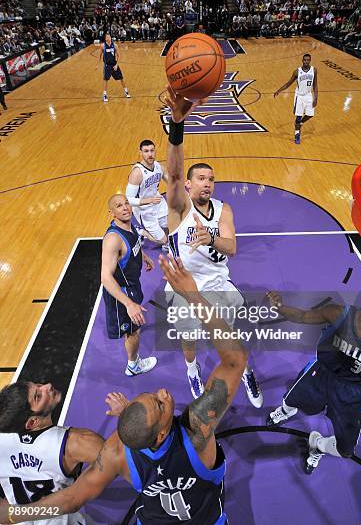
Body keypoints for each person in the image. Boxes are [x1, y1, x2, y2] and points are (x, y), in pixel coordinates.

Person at [0, 255, 248, 524]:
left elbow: (72, 499)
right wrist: (193, 295)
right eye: (160, 404)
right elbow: (234, 361)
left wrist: (15, 514)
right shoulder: (196, 431)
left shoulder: (118, 452)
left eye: (153, 396)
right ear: (163, 433)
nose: (164, 392)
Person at [163, 85, 263, 408]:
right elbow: (174, 174)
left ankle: (242, 368)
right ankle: (192, 369)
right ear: (190, 185)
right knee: (189, 338)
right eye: (201, 178)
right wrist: (177, 125)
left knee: (231, 333)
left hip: (219, 284)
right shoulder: (179, 209)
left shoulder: (224, 210)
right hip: (184, 288)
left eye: (211, 178)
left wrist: (210, 237)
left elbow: (231, 247)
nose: (207, 182)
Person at [266, 285, 361, 474]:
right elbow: (303, 316)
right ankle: (285, 411)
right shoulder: (339, 313)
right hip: (320, 374)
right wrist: (279, 307)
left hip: (353, 392)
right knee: (290, 400)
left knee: (345, 450)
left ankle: (318, 445)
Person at [0, 380, 104, 524]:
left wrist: (15, 514)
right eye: (38, 396)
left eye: (38, 385)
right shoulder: (76, 442)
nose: (47, 386)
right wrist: (125, 414)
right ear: (32, 422)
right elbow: (127, 461)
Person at [101, 194, 157, 377]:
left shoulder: (129, 225)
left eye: (126, 203)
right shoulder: (113, 239)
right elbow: (105, 277)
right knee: (133, 331)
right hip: (122, 293)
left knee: (136, 327)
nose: (125, 208)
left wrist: (144, 257)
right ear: (112, 212)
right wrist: (129, 304)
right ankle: (133, 365)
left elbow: (133, 246)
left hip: (133, 285)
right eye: (119, 206)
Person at [126, 139, 169, 248]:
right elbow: (129, 200)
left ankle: (165, 240)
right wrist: (150, 200)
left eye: (152, 150)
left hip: (158, 203)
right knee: (164, 240)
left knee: (170, 226)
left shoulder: (158, 166)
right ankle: (141, 232)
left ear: (155, 151)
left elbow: (170, 181)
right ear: (140, 153)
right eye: (146, 151)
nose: (150, 154)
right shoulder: (137, 173)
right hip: (144, 209)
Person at [274, 53, 318, 144]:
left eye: (308, 60)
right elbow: (288, 83)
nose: (306, 61)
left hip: (309, 95)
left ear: (310, 60)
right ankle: (297, 135)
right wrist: (279, 90)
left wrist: (316, 98)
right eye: (305, 60)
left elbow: (315, 85)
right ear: (302, 61)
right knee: (298, 116)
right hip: (299, 96)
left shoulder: (314, 70)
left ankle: (299, 123)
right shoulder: (297, 72)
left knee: (310, 115)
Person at [98, 33, 130, 103]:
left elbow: (119, 56)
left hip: (114, 65)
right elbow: (99, 56)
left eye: (110, 37)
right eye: (107, 37)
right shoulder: (103, 46)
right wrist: (97, 65)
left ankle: (126, 91)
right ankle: (105, 94)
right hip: (107, 65)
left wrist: (116, 65)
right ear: (105, 38)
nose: (109, 38)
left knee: (121, 78)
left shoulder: (115, 45)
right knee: (106, 80)